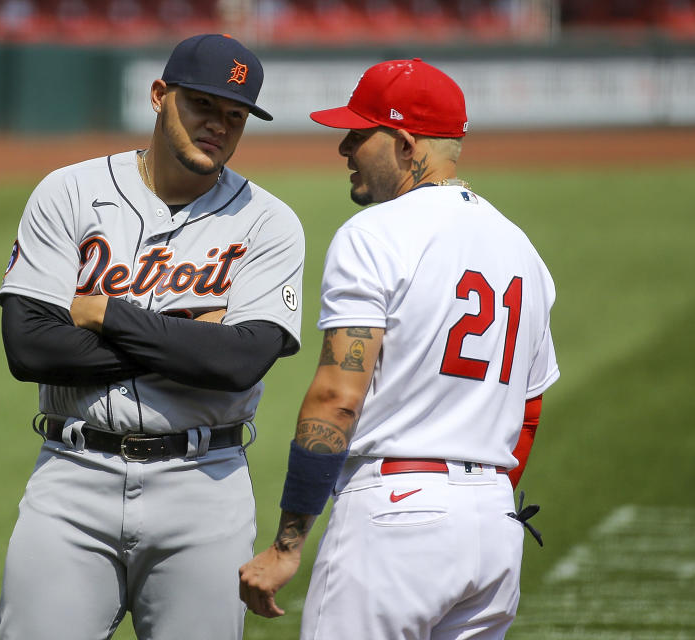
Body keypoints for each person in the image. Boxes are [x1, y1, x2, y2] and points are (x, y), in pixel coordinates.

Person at [0, 34, 305, 640]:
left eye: (235, 116)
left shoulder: (270, 222)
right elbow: (29, 347)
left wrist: (106, 315)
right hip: (72, 477)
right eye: (203, 107)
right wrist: (191, 341)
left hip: (205, 486)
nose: (219, 126)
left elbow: (240, 362)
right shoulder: (68, 192)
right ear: (160, 96)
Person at [238, 58, 559, 639]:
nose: (344, 147)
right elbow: (530, 410)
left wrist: (288, 545)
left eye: (360, 135)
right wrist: (476, 501)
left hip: (396, 519)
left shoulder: (375, 234)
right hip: (494, 525)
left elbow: (338, 396)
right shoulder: (522, 249)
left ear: (408, 145)